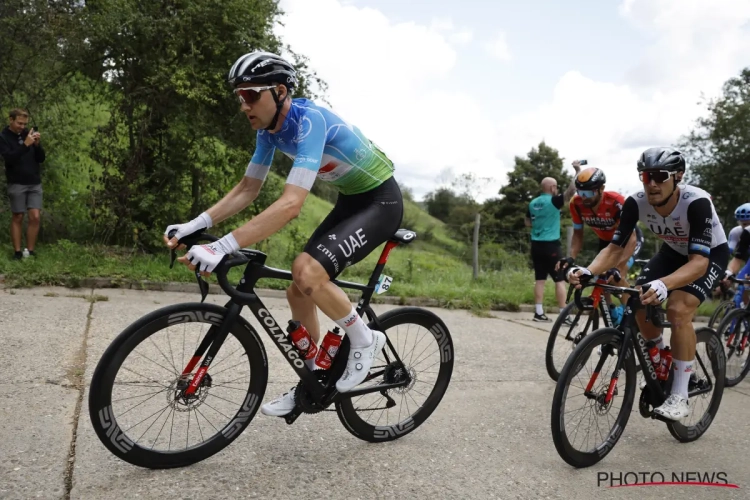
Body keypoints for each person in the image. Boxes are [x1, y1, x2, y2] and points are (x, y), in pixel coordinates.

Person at [164, 51, 402, 417]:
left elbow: (292, 205)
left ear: (278, 91)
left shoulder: (309, 122)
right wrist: (196, 225)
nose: (243, 105)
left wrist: (224, 245)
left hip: (381, 202)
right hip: (351, 201)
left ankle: (365, 338)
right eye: (238, 96)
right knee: (298, 288)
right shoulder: (269, 132)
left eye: (249, 95)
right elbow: (247, 189)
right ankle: (315, 379)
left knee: (307, 271)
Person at [568, 147, 728, 421]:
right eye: (645, 176)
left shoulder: (696, 202)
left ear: (677, 176)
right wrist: (589, 270)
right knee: (636, 297)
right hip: (672, 252)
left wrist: (665, 284)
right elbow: (615, 248)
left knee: (678, 308)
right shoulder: (636, 202)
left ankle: (679, 395)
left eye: (659, 176)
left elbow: (699, 263)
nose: (651, 183)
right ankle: (658, 357)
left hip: (708, 255)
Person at [559, 166, 645, 326]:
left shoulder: (616, 202)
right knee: (600, 278)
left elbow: (631, 238)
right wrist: (571, 257)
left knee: (616, 276)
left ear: (601, 189)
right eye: (580, 192)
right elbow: (578, 234)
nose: (584, 197)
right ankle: (611, 311)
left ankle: (634, 318)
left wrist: (619, 266)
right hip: (607, 242)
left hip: (628, 240)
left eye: (589, 193)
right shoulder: (576, 204)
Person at [524, 163, 578, 322]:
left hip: (536, 244)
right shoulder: (554, 201)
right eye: (555, 187)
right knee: (559, 279)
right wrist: (577, 171)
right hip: (551, 245)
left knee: (540, 279)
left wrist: (540, 224)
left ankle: (538, 313)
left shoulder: (533, 203)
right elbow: (571, 191)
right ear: (552, 187)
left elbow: (527, 222)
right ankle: (564, 316)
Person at [0, 108, 45, 259]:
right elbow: (9, 158)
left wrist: (37, 145)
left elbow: (40, 159)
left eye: (24, 124)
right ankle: (17, 252)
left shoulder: (28, 134)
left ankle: (30, 251)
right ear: (11, 120)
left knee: (35, 216)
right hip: (16, 182)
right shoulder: (4, 137)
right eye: (19, 123)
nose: (22, 126)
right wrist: (25, 145)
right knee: (18, 216)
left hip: (34, 181)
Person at [724, 203, 750, 302]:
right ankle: (742, 313)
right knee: (741, 283)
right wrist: (728, 273)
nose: (746, 227)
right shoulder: (738, 232)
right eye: (744, 224)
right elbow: (737, 257)